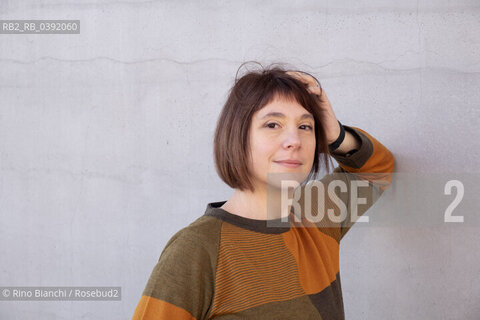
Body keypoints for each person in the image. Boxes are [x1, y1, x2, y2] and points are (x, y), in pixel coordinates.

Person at [132, 63, 395, 320]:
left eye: (305, 126)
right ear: (238, 137)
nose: (294, 141)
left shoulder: (318, 214)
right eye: (272, 125)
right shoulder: (197, 250)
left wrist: (335, 135)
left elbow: (377, 169)